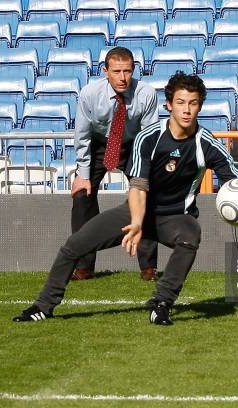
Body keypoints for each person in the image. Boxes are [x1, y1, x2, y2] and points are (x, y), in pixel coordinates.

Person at [13, 72, 238, 325]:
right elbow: (138, 187)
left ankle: (161, 304)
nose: (187, 110)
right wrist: (137, 222)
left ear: (200, 106)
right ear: (169, 105)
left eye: (193, 103)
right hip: (136, 212)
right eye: (181, 103)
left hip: (175, 218)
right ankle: (43, 307)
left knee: (191, 234)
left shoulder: (207, 144)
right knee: (74, 246)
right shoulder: (148, 138)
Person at [71, 46, 159, 281]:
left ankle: (149, 268)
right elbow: (83, 135)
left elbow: (149, 135)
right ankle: (84, 266)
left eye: (128, 71)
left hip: (134, 146)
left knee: (146, 195)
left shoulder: (146, 93)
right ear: (105, 71)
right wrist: (82, 173)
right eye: (117, 71)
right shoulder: (89, 94)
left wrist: (148, 174)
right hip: (99, 146)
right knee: (82, 196)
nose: (122, 77)